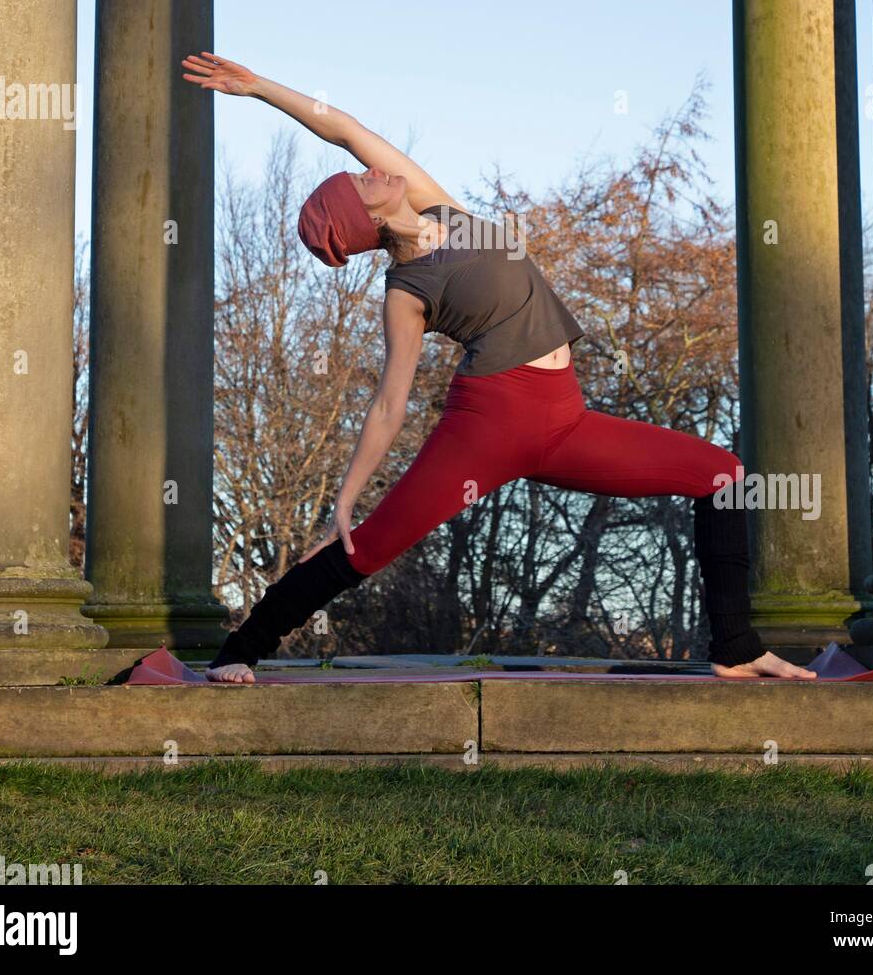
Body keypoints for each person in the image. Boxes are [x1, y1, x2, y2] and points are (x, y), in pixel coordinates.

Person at [181, 52, 816, 684]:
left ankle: (736, 647)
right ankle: (241, 649)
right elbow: (388, 403)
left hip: (566, 419)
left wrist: (258, 87)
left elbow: (341, 126)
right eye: (362, 181)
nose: (372, 167)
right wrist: (344, 501)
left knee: (723, 475)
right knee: (368, 545)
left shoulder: (440, 210)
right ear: (364, 216)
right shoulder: (405, 290)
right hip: (491, 421)